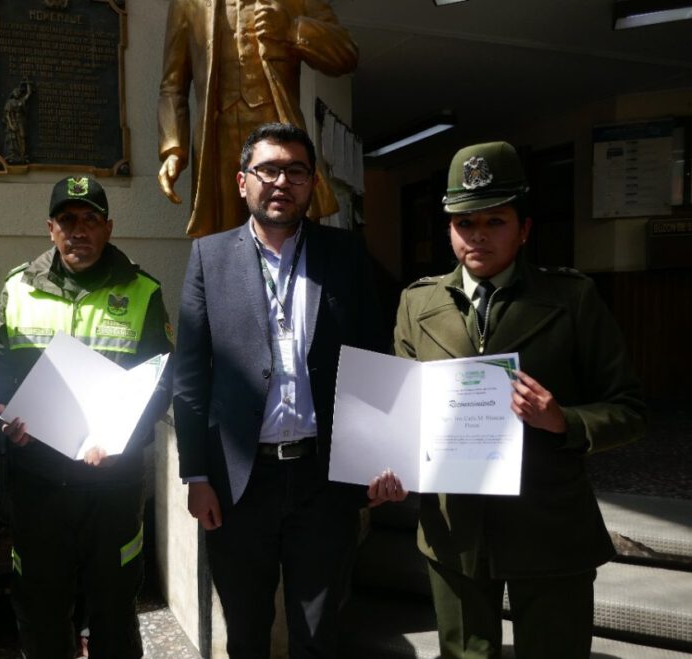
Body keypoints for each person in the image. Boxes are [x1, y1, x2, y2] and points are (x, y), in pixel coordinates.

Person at [394, 141, 646, 659]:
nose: (478, 236)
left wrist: (563, 421)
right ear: (449, 230)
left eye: (495, 222)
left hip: (549, 522)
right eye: (465, 224)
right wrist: (385, 459)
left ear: (524, 229)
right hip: (455, 530)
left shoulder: (572, 299)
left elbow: (629, 407)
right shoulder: (417, 303)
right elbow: (400, 411)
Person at [173, 123, 405, 658]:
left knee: (318, 634)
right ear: (242, 182)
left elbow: (373, 357)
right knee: (247, 631)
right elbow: (190, 376)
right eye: (269, 169)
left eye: (296, 171)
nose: (282, 181)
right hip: (238, 483)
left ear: (311, 183)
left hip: (322, 480)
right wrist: (197, 474)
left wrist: (380, 453)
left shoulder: (345, 255)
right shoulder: (209, 257)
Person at [0, 175, 174, 659]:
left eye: (90, 220)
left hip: (112, 481)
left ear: (108, 228)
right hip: (37, 480)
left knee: (113, 608)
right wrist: (2, 412)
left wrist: (119, 441)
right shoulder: (17, 287)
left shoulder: (141, 290)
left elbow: (161, 382)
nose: (79, 231)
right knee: (41, 608)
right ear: (51, 228)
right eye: (68, 220)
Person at [158, 0, 358, 237]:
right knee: (223, 244)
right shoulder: (188, 3)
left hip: (279, 142)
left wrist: (292, 29)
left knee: (287, 234)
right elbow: (173, 85)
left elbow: (346, 53)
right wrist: (173, 149)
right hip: (218, 145)